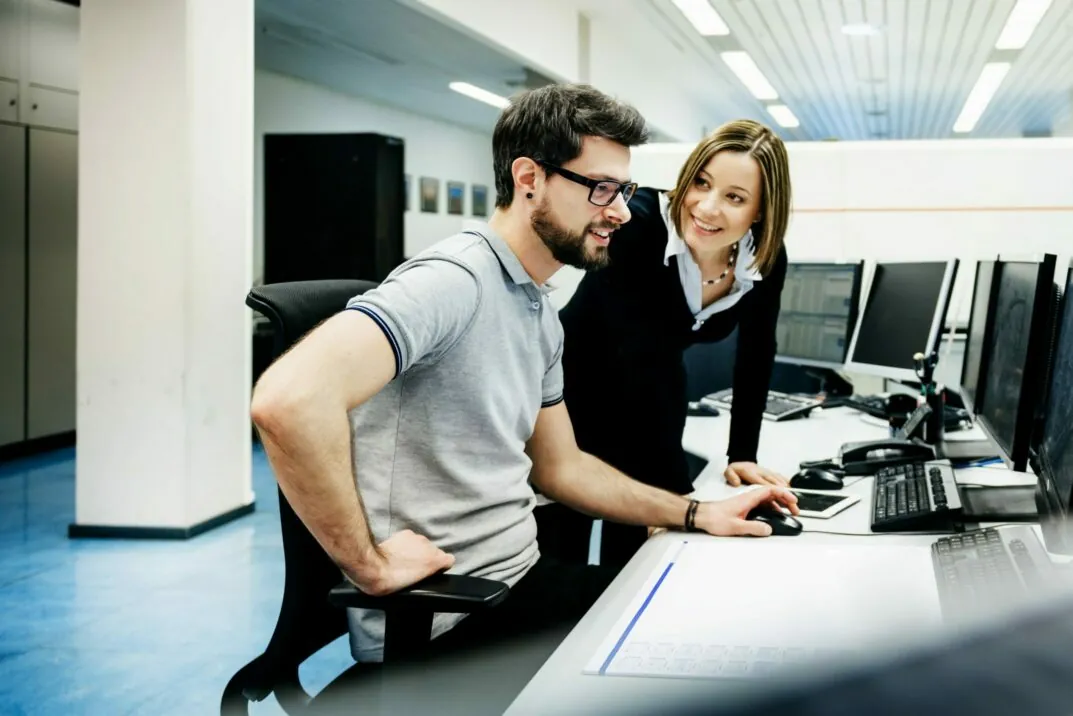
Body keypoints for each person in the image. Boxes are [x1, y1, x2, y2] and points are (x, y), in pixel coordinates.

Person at [249, 87, 798, 665]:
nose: (619, 211)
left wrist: (695, 513)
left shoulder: (534, 309)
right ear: (530, 177)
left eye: (624, 190)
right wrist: (368, 564)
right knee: (708, 651)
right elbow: (286, 401)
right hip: (452, 615)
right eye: (601, 189)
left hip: (520, 584)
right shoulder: (453, 280)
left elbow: (563, 467)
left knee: (725, 615)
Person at [535, 119, 794, 570]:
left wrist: (743, 454)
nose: (707, 208)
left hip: (652, 386)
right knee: (562, 540)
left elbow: (756, 352)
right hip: (569, 388)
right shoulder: (639, 224)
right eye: (702, 183)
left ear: (760, 211)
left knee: (641, 555)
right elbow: (637, 354)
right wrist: (674, 498)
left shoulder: (763, 258)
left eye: (734, 197)